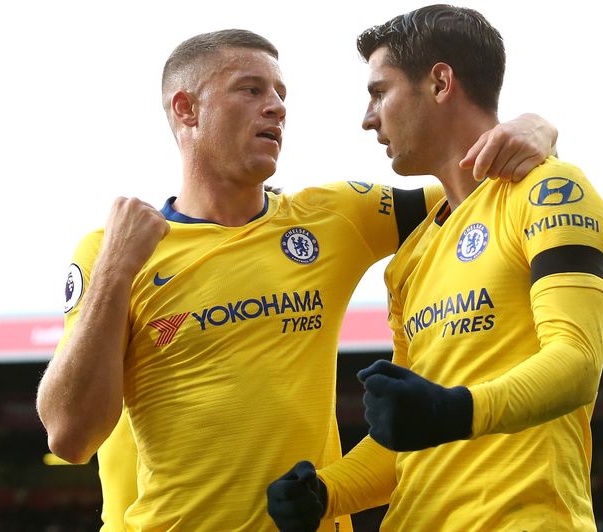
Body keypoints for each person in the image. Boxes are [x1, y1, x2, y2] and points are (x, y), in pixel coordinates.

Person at [36, 28, 557, 531]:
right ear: (186, 108)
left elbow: (478, 188)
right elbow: (70, 436)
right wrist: (115, 271)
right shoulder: (115, 250)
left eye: (281, 93)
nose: (277, 106)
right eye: (251, 89)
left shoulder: (332, 218)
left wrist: (537, 130)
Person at [267, 5, 603, 531]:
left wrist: (454, 411)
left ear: (440, 81)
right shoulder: (411, 254)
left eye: (379, 92)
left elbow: (577, 363)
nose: (368, 117)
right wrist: (326, 491)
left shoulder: (551, 191)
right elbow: (406, 434)